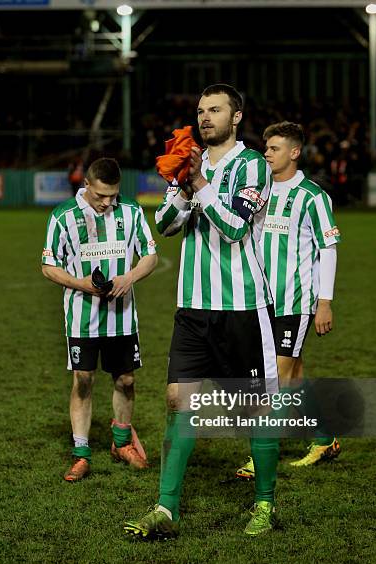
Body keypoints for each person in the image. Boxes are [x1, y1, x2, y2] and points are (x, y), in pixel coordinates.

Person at [124, 83, 280, 539]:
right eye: (200, 110)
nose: (204, 116)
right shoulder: (191, 163)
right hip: (192, 306)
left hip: (242, 306)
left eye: (215, 109)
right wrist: (179, 183)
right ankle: (166, 507)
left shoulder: (252, 165)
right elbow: (166, 225)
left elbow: (234, 227)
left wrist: (197, 183)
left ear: (236, 117)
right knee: (177, 401)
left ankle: (265, 503)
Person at [236, 121, 341, 479]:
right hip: (260, 302)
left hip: (294, 303)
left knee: (274, 381)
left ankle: (261, 454)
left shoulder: (312, 196)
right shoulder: (258, 192)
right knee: (292, 378)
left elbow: (328, 249)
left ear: (294, 152)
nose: (266, 153)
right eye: (265, 147)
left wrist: (324, 302)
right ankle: (324, 438)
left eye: (275, 148)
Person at [42, 157, 158, 482]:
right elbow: (48, 265)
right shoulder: (64, 216)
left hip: (122, 318)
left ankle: (121, 443)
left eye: (113, 195)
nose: (108, 202)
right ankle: (81, 453)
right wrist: (81, 284)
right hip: (82, 317)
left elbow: (150, 255)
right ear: (86, 185)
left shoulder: (132, 212)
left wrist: (130, 277)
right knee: (83, 379)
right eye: (101, 196)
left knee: (126, 381)